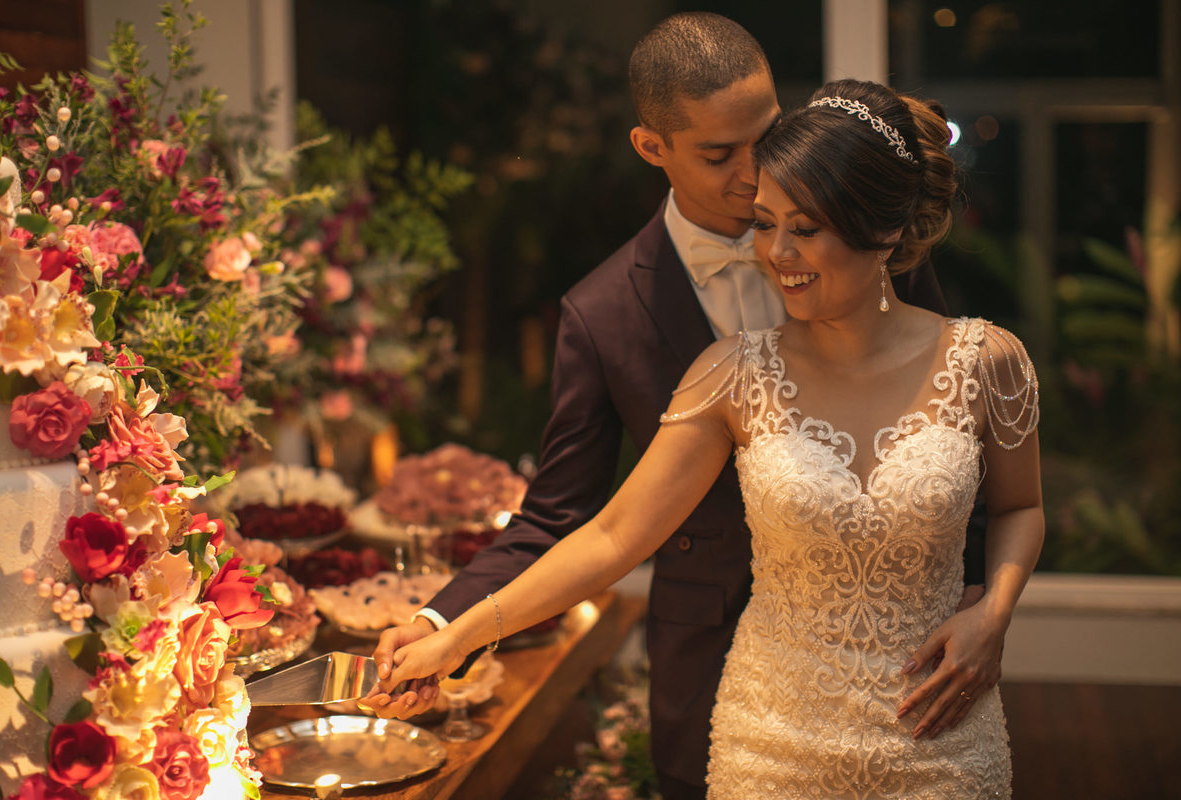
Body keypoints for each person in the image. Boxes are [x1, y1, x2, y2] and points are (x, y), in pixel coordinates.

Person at [365, 15, 997, 799]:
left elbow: (950, 424)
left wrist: (975, 603)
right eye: (717, 154)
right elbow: (569, 521)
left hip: (902, 656)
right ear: (650, 148)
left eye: (765, 136)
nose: (752, 171)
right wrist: (440, 628)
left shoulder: (860, 238)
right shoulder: (602, 314)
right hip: (718, 657)